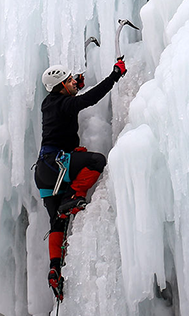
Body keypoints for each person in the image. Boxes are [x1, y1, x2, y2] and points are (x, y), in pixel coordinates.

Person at [35, 59, 126, 298]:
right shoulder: (64, 103)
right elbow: (87, 100)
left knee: (58, 222)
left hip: (45, 172)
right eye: (70, 80)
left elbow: (70, 97)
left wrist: (75, 84)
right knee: (97, 161)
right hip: (57, 166)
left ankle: (54, 270)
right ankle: (74, 196)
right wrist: (114, 75)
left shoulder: (50, 102)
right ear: (62, 85)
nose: (74, 82)